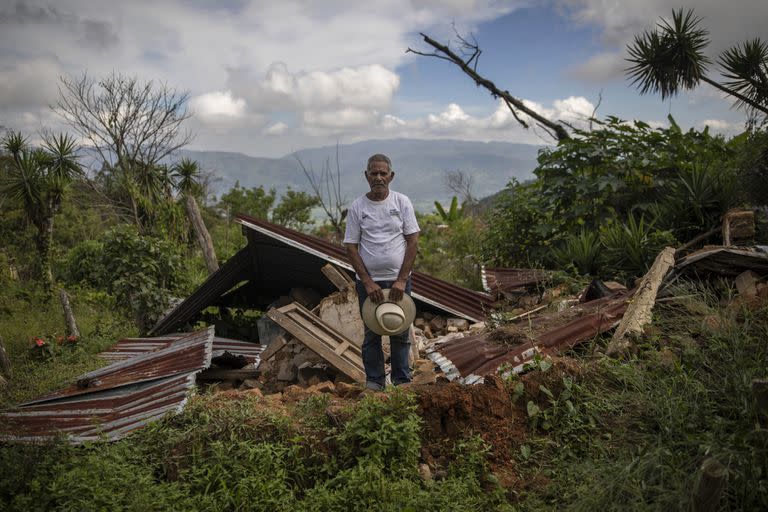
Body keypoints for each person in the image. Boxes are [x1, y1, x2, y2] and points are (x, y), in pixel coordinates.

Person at [344, 153, 420, 390]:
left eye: (383, 173)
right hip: (369, 283)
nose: (378, 177)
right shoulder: (358, 207)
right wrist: (367, 282)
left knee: (399, 331)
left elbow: (413, 241)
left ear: (391, 176)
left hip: (398, 282)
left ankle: (402, 381)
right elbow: (351, 246)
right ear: (366, 176)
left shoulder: (401, 202)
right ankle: (375, 382)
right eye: (374, 173)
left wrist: (401, 280)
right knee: (372, 334)